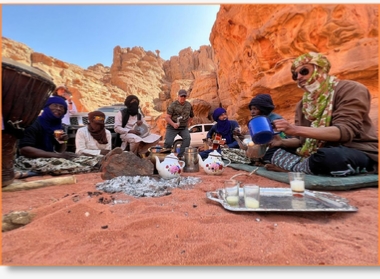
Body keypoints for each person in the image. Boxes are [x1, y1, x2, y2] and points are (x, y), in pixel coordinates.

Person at [263, 51, 378, 176]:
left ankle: (296, 168)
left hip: (354, 149)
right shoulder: (303, 104)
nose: (299, 77)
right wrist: (282, 142)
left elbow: (344, 132)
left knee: (330, 157)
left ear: (319, 68)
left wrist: (294, 129)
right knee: (271, 151)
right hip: (316, 151)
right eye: (295, 75)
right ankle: (305, 167)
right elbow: (302, 141)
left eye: (304, 71)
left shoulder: (351, 89)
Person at [14, 97, 101, 178]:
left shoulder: (59, 127)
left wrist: (64, 142)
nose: (58, 108)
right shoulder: (34, 123)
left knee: (95, 159)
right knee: (74, 166)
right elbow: (24, 150)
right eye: (55, 105)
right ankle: (35, 172)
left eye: (62, 107)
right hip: (29, 159)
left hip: (51, 156)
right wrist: (58, 156)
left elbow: (60, 150)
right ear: (47, 107)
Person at [163, 89, 194, 159]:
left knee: (187, 139)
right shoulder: (172, 105)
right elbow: (167, 117)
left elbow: (191, 116)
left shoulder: (188, 105)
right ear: (178, 96)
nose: (183, 98)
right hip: (172, 126)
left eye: (184, 96)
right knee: (168, 142)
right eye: (181, 96)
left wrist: (187, 123)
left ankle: (181, 156)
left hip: (183, 127)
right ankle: (165, 157)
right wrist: (173, 124)